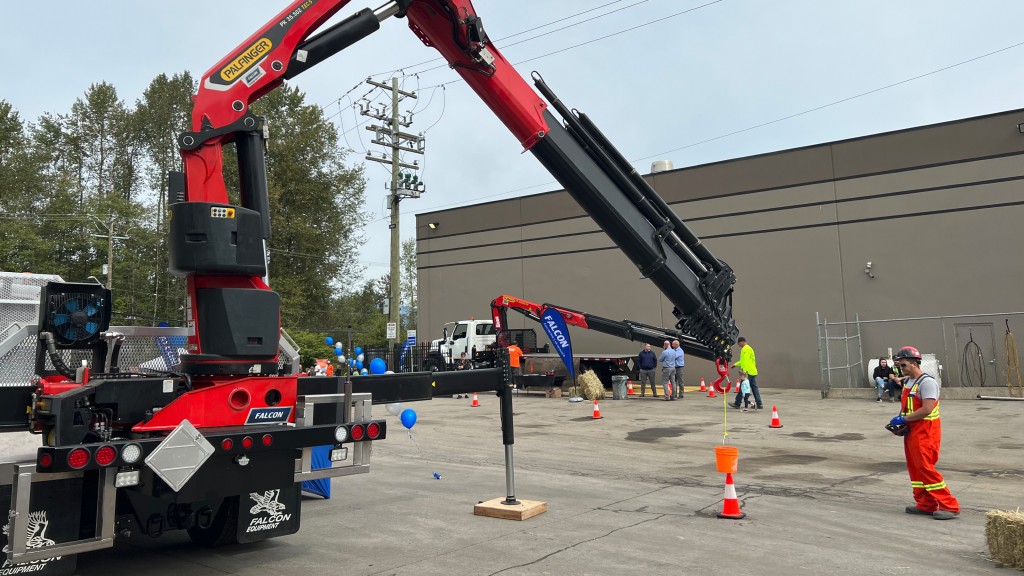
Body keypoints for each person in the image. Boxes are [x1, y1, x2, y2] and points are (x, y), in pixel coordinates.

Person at [887, 346, 960, 520]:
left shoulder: (927, 383)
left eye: (903, 365)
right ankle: (925, 504)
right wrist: (901, 421)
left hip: (926, 434)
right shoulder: (909, 382)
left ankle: (950, 505)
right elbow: (909, 408)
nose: (900, 368)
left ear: (913, 364)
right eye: (899, 365)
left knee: (926, 469)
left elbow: (927, 409)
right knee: (916, 470)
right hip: (913, 432)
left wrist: (904, 420)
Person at [731, 337, 761, 409]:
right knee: (754, 388)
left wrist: (744, 372)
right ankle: (759, 404)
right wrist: (735, 364)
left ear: (741, 342)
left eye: (739, 344)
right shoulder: (749, 348)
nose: (739, 346)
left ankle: (737, 403)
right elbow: (742, 361)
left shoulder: (745, 349)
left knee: (742, 388)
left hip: (748, 372)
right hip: (752, 371)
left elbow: (746, 362)